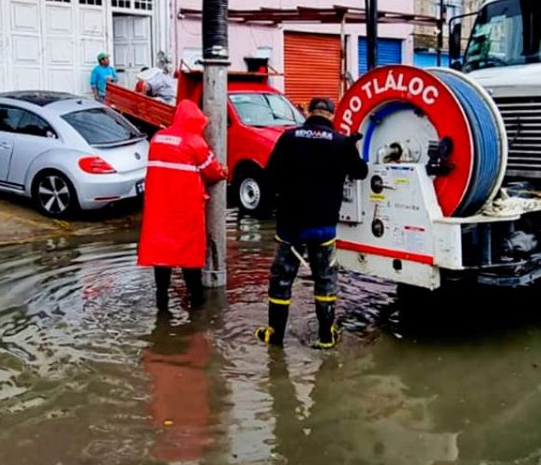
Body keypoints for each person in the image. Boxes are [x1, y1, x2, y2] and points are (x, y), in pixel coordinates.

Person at [255, 97, 368, 348]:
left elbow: (269, 177)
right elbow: (361, 172)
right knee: (325, 279)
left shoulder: (288, 138)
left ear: (307, 112)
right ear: (331, 115)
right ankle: (326, 338)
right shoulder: (341, 142)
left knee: (282, 281)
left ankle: (275, 336)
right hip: (323, 227)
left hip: (290, 227)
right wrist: (351, 148)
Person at [137, 100, 227, 310]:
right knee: (189, 258)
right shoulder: (195, 142)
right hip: (185, 210)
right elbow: (213, 172)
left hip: (159, 210)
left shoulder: (158, 138)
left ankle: (162, 307)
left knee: (161, 258)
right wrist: (224, 170)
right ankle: (198, 311)